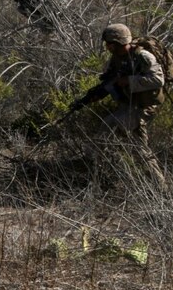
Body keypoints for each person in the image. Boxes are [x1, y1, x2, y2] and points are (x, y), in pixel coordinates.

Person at [71, 23, 167, 188]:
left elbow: (158, 80)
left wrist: (129, 81)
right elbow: (111, 81)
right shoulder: (116, 59)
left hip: (144, 107)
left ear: (117, 43)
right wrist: (95, 96)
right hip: (128, 105)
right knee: (137, 147)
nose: (107, 47)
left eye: (109, 43)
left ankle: (94, 171)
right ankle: (156, 185)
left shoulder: (143, 56)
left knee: (111, 127)